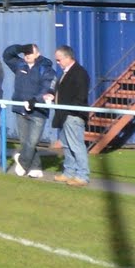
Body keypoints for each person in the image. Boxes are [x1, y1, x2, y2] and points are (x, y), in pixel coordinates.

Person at [3, 42, 56, 179]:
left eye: (29, 53)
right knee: (25, 142)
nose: (26, 56)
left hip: (38, 111)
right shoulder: (20, 65)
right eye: (25, 53)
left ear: (37, 54)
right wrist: (20, 48)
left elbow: (46, 88)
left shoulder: (46, 69)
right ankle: (36, 168)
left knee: (32, 142)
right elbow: (7, 55)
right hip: (20, 108)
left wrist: (35, 100)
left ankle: (21, 161)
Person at [47, 45, 90, 186]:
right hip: (64, 115)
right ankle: (69, 172)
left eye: (59, 60)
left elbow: (81, 96)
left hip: (73, 115)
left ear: (67, 57)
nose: (57, 63)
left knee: (76, 146)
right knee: (66, 145)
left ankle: (82, 176)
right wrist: (52, 96)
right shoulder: (65, 73)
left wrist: (67, 109)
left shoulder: (79, 73)